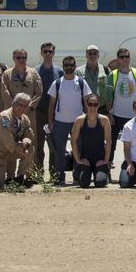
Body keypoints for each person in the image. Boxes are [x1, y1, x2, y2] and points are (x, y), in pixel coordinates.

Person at [45, 55, 93, 185]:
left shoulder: (81, 82)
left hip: (78, 122)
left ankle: (77, 176)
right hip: (60, 122)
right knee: (59, 151)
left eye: (71, 65)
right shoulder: (57, 83)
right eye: (66, 65)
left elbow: (87, 103)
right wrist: (50, 122)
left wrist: (88, 120)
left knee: (78, 149)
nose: (69, 67)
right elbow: (51, 104)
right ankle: (60, 177)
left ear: (75, 66)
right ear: (63, 66)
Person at [2, 49, 43, 182]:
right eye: (18, 57)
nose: (21, 60)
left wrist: (28, 107)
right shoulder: (7, 74)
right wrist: (15, 108)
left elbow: (39, 92)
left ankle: (27, 175)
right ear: (13, 59)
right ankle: (10, 175)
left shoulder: (33, 73)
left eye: (23, 57)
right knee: (11, 143)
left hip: (29, 114)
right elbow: (4, 91)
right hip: (12, 115)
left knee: (30, 142)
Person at [70, 94, 112, 188]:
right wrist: (78, 160)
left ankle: (103, 175)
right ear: (86, 104)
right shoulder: (80, 120)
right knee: (84, 184)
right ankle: (80, 172)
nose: (92, 107)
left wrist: (106, 160)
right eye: (90, 104)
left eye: (95, 104)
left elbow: (108, 141)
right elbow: (73, 141)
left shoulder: (104, 120)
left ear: (99, 105)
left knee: (100, 183)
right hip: (85, 159)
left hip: (99, 159)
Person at [34, 42, 63, 175]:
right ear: (41, 53)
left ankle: (53, 173)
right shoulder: (35, 71)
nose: (48, 54)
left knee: (54, 145)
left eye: (50, 51)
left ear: (53, 53)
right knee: (38, 144)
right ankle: (38, 173)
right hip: (39, 113)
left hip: (55, 114)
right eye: (45, 51)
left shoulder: (59, 71)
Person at [106, 49, 136, 162]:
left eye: (127, 56)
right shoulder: (113, 75)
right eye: (122, 57)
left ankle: (132, 166)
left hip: (132, 116)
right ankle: (107, 166)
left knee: (133, 144)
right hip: (116, 116)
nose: (125, 59)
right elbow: (108, 97)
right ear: (118, 59)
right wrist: (109, 113)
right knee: (111, 143)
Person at [80, 45, 110, 112]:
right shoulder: (79, 71)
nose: (92, 56)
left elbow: (109, 91)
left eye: (95, 53)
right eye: (90, 53)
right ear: (86, 55)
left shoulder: (106, 70)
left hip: (103, 109)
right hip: (86, 110)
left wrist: (109, 111)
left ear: (98, 55)